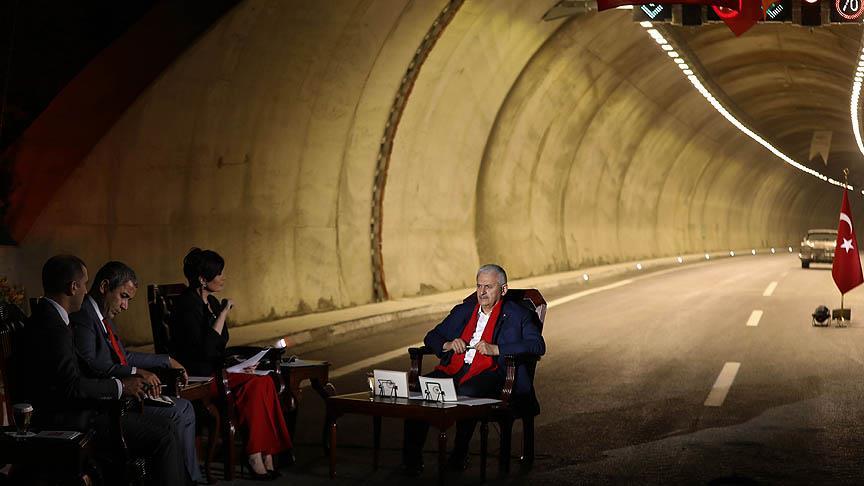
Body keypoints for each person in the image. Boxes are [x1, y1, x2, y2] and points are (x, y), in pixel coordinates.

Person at [18, 255, 187, 486]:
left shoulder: (52, 317)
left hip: (81, 408)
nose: (87, 291)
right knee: (165, 434)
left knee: (166, 425)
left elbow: (82, 368)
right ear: (73, 286)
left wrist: (126, 381)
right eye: (85, 283)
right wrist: (120, 386)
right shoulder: (53, 325)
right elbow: (71, 385)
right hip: (70, 419)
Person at [402, 264, 545, 474]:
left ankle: (459, 455)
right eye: (479, 286)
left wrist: (497, 349)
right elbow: (432, 336)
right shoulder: (465, 311)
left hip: (494, 372)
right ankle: (412, 460)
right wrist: (449, 345)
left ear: (503, 290)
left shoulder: (518, 315)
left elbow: (537, 346)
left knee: (468, 392)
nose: (482, 292)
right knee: (420, 390)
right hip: (456, 368)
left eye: (488, 287)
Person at [70, 261, 203, 484]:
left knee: (184, 408)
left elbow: (125, 356)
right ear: (104, 286)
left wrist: (166, 361)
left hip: (125, 394)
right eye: (123, 296)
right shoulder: (84, 316)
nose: (125, 306)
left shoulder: (103, 317)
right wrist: (136, 372)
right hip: (109, 403)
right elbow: (91, 364)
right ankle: (188, 479)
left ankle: (188, 477)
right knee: (180, 412)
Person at [169, 248, 292, 480]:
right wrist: (223, 313)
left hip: (218, 369)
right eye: (218, 273)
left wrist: (238, 364)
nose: (223, 277)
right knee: (256, 386)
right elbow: (205, 350)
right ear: (202, 279)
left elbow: (221, 344)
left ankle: (267, 453)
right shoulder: (187, 306)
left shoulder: (212, 301)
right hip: (199, 376)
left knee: (264, 380)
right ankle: (256, 455)